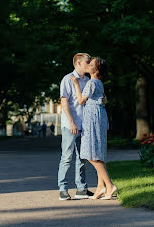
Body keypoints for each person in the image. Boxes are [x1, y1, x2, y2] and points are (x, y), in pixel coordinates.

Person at [70, 57, 117, 200]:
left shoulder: (91, 82)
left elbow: (80, 100)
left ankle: (109, 185)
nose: (88, 64)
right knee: (96, 152)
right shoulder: (99, 83)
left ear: (95, 70)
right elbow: (103, 99)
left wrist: (76, 84)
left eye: (91, 64)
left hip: (93, 119)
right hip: (99, 117)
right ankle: (100, 188)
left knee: (91, 154)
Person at [57, 53, 94, 200]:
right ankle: (63, 189)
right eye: (87, 62)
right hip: (70, 125)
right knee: (67, 157)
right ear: (78, 63)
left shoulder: (88, 80)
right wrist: (71, 121)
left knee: (82, 158)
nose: (90, 64)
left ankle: (81, 189)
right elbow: (64, 102)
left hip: (84, 125)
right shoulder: (67, 79)